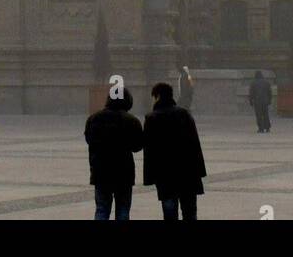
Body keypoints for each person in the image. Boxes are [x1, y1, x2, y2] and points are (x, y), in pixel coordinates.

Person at [143, 81, 207, 220]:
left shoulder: (152, 118)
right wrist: (200, 171)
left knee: (170, 214)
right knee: (190, 213)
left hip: (165, 175)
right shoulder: (184, 114)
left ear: (158, 97)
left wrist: (149, 177)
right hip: (188, 173)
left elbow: (149, 151)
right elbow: (195, 145)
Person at [84, 88, 144, 220]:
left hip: (100, 171)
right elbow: (137, 146)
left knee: (102, 209)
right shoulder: (132, 120)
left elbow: (89, 140)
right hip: (124, 172)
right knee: (123, 209)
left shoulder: (94, 119)